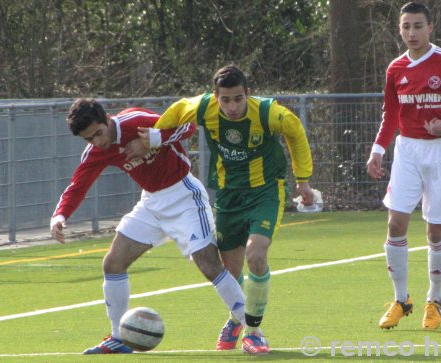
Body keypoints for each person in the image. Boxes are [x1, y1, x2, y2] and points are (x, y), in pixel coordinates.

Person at [124, 65, 314, 355]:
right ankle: (234, 319)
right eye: (226, 99)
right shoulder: (203, 107)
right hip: (228, 195)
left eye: (238, 99)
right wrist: (154, 137)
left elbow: (296, 133)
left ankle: (253, 331)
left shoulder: (268, 113)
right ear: (216, 97)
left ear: (247, 94)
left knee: (256, 255)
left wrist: (303, 180)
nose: (233, 106)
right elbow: (176, 111)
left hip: (265, 192)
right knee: (231, 270)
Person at [50, 98, 246, 354]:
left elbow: (186, 127)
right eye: (89, 139)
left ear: (107, 119)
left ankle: (252, 331)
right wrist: (60, 215)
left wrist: (152, 139)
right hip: (152, 203)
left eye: (98, 133)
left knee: (209, 265)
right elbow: (79, 184)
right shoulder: (97, 151)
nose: (97, 142)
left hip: (184, 195)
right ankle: (119, 338)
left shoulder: (134, 121)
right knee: (113, 263)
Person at [366, 2, 441, 331]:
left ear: (430, 28)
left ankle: (434, 300)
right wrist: (378, 150)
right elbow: (390, 114)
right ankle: (401, 299)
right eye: (406, 26)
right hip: (407, 150)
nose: (411, 33)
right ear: (399, 29)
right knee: (395, 224)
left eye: (418, 26)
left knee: (435, 230)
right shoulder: (395, 69)